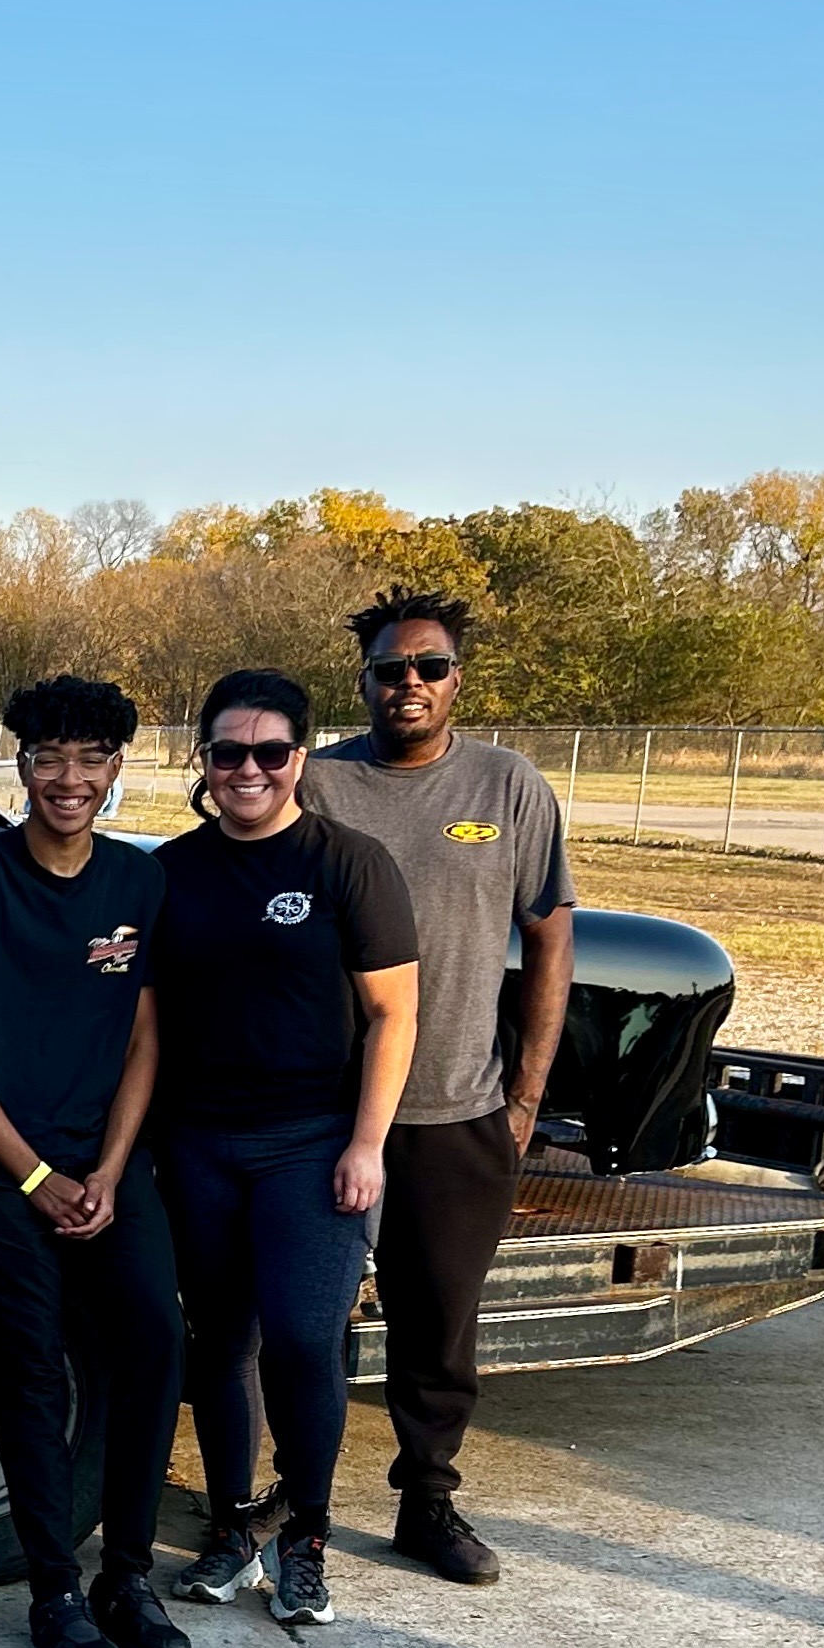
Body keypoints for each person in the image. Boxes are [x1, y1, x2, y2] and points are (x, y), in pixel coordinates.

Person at [300, 589, 576, 1585]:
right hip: (325, 1109)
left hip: (459, 1105)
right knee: (301, 1320)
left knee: (440, 1325)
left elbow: (550, 940)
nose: (408, 682)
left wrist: (524, 1098)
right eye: (390, 668)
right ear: (363, 680)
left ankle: (427, 1499)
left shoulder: (509, 787)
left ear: (459, 678)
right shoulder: (317, 782)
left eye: (429, 666)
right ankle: (290, 1502)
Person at [0, 675, 188, 1648]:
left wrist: (112, 1169)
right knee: (30, 1368)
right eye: (49, 758)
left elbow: (146, 1037)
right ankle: (55, 1593)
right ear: (22, 765)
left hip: (107, 1168)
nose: (69, 779)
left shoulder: (138, 882)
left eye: (90, 759)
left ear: (116, 769)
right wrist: (33, 1174)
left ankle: (128, 1576)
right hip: (6, 1174)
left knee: (156, 1341)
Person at [150, 670, 419, 1627]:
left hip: (311, 1144)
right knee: (220, 1342)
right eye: (229, 752)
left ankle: (304, 1531)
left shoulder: (350, 863)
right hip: (199, 1143)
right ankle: (232, 1526)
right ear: (205, 759)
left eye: (270, 752)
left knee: (304, 1340)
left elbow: (393, 1014)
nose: (249, 770)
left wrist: (367, 1143)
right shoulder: (172, 871)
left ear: (300, 758)